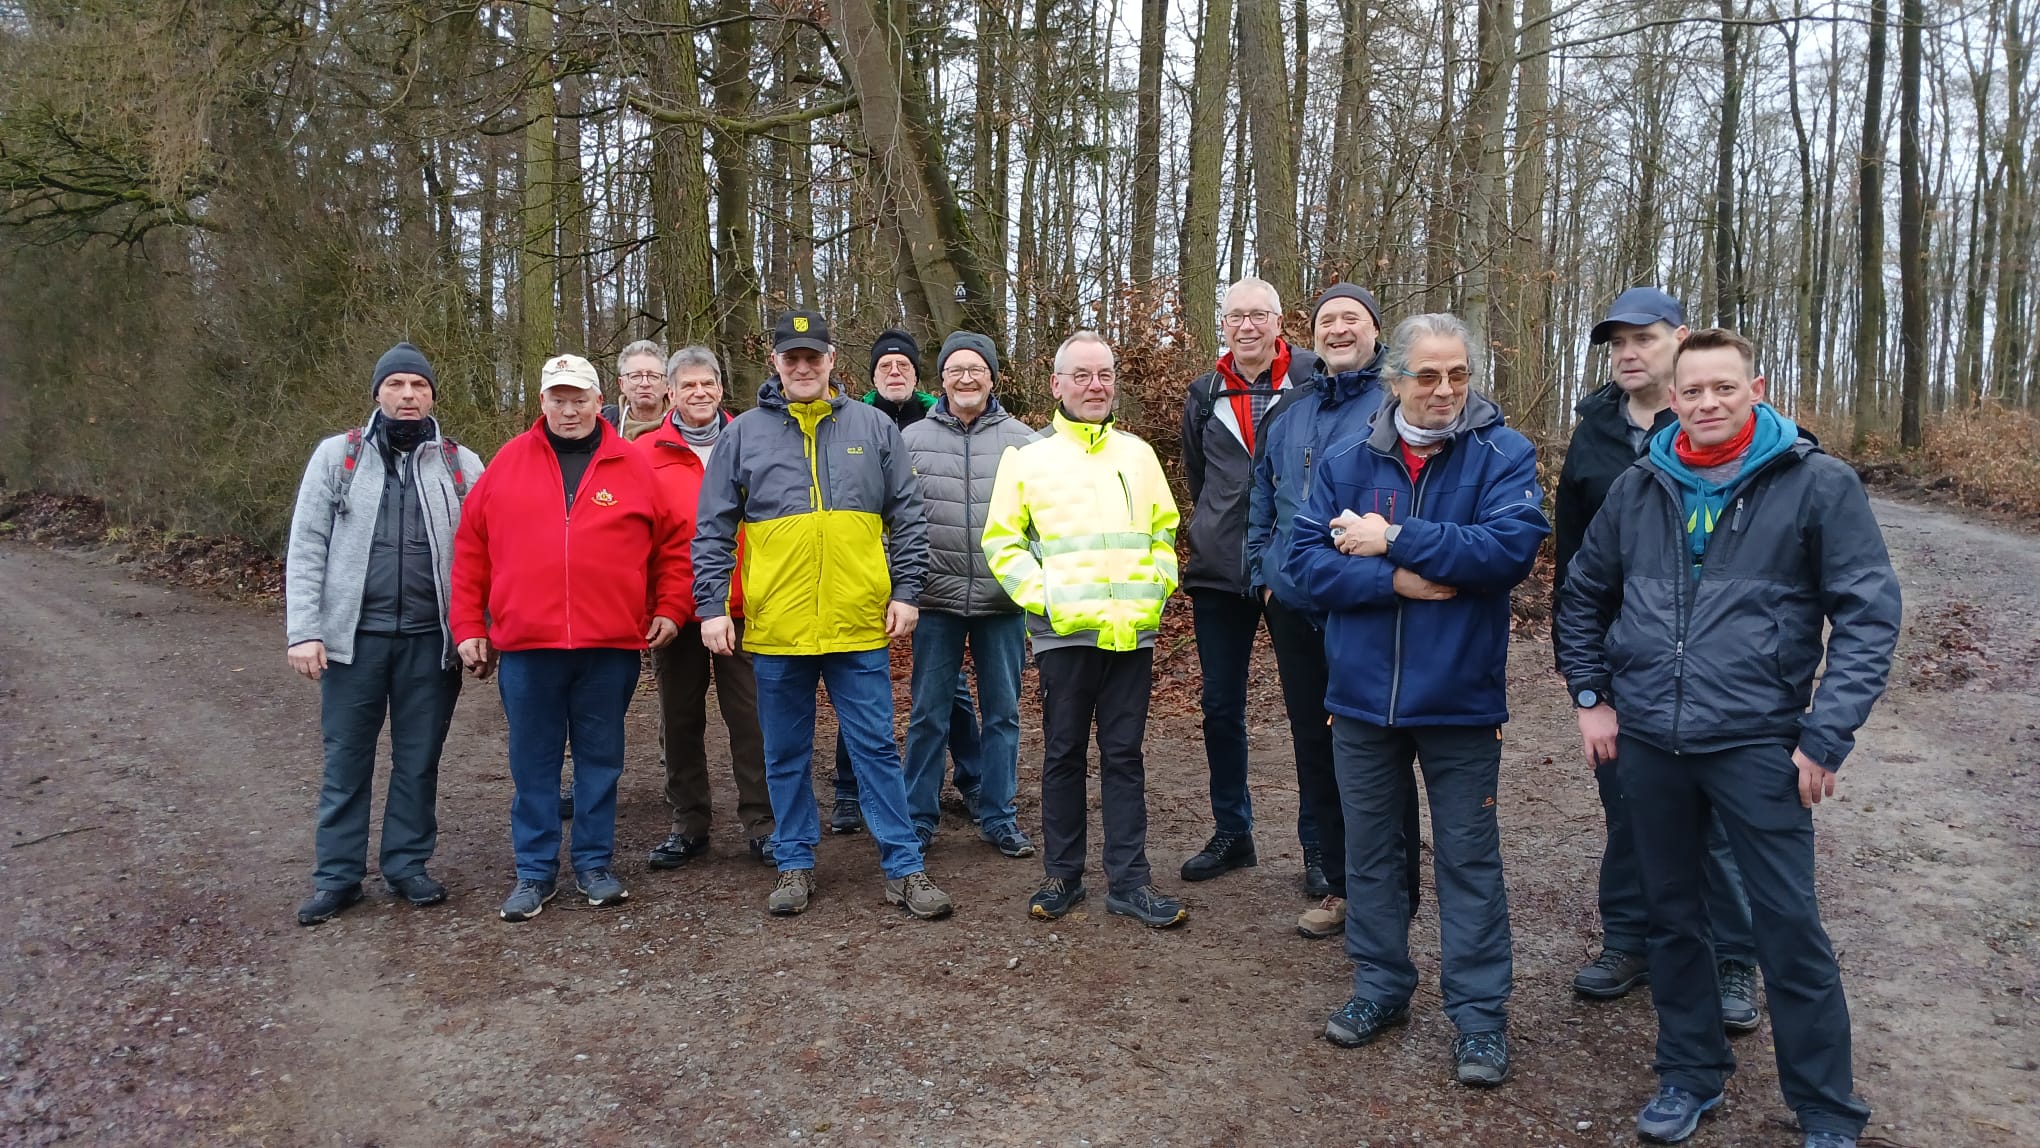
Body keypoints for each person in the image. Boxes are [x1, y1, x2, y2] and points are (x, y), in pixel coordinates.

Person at [1556, 328, 1899, 1148]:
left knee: (1789, 926)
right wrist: (1592, 696)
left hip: (1758, 742)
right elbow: (1582, 595)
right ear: (1671, 399)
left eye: (1724, 388)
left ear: (1757, 390)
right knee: (1673, 919)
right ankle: (1689, 1074)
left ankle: (1826, 1107)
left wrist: (1826, 734)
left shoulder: (1816, 483)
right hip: (1650, 741)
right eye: (1693, 390)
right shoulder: (1640, 486)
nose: (1707, 403)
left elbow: (1868, 615)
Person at [1287, 313, 1549, 1088]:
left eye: (1457, 374)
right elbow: (1305, 565)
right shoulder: (1347, 461)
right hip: (1362, 699)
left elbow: (1506, 551)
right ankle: (1380, 987)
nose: (1443, 390)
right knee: (1371, 856)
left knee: (1469, 860)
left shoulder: (1503, 453)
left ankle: (1480, 1018)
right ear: (1395, 378)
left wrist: (1393, 537)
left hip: (1461, 699)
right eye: (1427, 375)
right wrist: (1394, 578)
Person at [692, 310, 955, 920]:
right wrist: (712, 605)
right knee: (784, 752)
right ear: (776, 363)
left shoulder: (873, 426)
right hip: (778, 627)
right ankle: (794, 861)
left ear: (832, 360)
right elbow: (712, 528)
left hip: (858, 621)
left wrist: (907, 591)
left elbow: (908, 515)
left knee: (875, 749)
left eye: (814, 356)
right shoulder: (743, 434)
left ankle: (904, 867)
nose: (804, 367)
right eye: (793, 357)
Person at [1554, 288, 1761, 1029]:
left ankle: (1734, 957)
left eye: (1642, 337)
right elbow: (1574, 566)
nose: (1628, 353)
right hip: (1626, 664)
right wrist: (1583, 679)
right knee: (1628, 808)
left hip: (1719, 668)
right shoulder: (1594, 434)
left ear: (1680, 338)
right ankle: (1629, 940)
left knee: (1721, 824)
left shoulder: (1717, 425)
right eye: (1617, 343)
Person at [449, 352, 688, 922]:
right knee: (532, 765)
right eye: (558, 399)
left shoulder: (633, 464)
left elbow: (673, 546)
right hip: (528, 646)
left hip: (609, 645)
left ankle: (594, 864)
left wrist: (672, 607)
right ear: (542, 402)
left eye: (579, 399)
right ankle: (534, 872)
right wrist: (469, 625)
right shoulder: (508, 463)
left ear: (599, 401)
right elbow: (471, 549)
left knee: (600, 762)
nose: (569, 410)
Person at [983, 330, 1188, 929]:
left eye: (1104, 375)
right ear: (1057, 385)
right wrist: (1044, 598)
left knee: (1124, 756)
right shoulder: (1027, 458)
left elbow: (1164, 532)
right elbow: (1002, 542)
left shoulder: (1138, 455)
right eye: (1082, 376)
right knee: (1064, 754)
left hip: (1131, 634)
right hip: (1064, 633)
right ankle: (1063, 875)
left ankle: (1130, 881)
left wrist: (1157, 585)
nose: (1095, 386)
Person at [285, 342, 485, 925]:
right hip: (354, 642)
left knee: (418, 761)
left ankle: (406, 865)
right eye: (396, 384)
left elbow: (486, 553)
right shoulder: (338, 457)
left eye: (418, 386)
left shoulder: (461, 464)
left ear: (432, 395)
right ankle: (337, 877)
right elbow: (306, 545)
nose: (407, 395)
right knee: (346, 762)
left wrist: (479, 627)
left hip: (430, 642)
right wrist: (304, 631)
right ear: (377, 393)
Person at [1245, 284, 1422, 942]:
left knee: (1380, 748)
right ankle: (1338, 882)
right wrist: (1263, 575)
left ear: (1376, 330)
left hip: (1369, 603)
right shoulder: (1290, 410)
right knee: (1315, 746)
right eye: (1327, 320)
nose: (1339, 329)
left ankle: (1394, 892)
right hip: (1294, 605)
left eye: (1352, 318)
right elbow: (1262, 498)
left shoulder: (1397, 401)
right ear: (1312, 334)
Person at [1179, 276, 1320, 886]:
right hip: (1219, 572)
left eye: (1258, 315)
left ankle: (1320, 846)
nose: (1247, 326)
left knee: (1309, 709)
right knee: (1220, 708)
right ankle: (1232, 832)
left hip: (1293, 567)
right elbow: (1200, 476)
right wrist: (1214, 530)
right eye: (1236, 316)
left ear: (1279, 321)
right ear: (1224, 324)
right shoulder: (1204, 391)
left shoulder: (1311, 379)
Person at [825, 328, 978, 835]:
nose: (895, 372)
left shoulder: (938, 419)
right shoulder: (848, 422)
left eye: (904, 365)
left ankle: (973, 779)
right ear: (871, 375)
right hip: (864, 572)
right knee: (857, 682)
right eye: (885, 366)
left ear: (917, 374)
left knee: (947, 684)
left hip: (931, 573)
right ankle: (849, 789)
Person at [899, 331, 1038, 857]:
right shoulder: (911, 439)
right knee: (927, 715)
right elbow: (895, 518)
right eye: (955, 369)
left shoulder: (1024, 442)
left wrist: (1032, 580)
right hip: (934, 599)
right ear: (942, 378)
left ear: (992, 378)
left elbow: (1042, 523)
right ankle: (917, 818)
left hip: (1002, 602)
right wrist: (902, 582)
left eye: (976, 369)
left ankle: (999, 815)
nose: (965, 378)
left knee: (1003, 715)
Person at [639, 345, 776, 871]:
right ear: (670, 393)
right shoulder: (644, 454)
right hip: (676, 612)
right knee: (679, 721)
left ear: (721, 387)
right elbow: (638, 539)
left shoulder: (753, 438)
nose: (699, 393)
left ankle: (763, 823)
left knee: (752, 720)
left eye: (707, 383)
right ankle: (688, 824)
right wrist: (654, 605)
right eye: (688, 385)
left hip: (745, 606)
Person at [615, 339, 672, 441]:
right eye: (635, 376)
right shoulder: (603, 427)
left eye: (653, 376)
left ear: (667, 385)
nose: (645, 383)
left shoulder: (685, 427)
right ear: (622, 384)